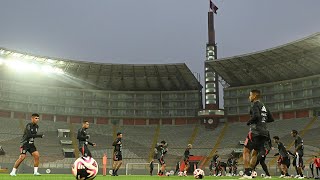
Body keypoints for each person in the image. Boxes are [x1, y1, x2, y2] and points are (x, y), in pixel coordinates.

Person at [242, 89, 274, 179]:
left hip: (255, 131)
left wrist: (249, 122)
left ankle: (247, 173)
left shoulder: (255, 105)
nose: (249, 97)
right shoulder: (264, 106)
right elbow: (271, 119)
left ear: (255, 96)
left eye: (250, 95)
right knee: (255, 153)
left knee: (246, 151)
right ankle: (251, 173)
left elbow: (256, 116)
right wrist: (263, 121)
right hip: (264, 133)